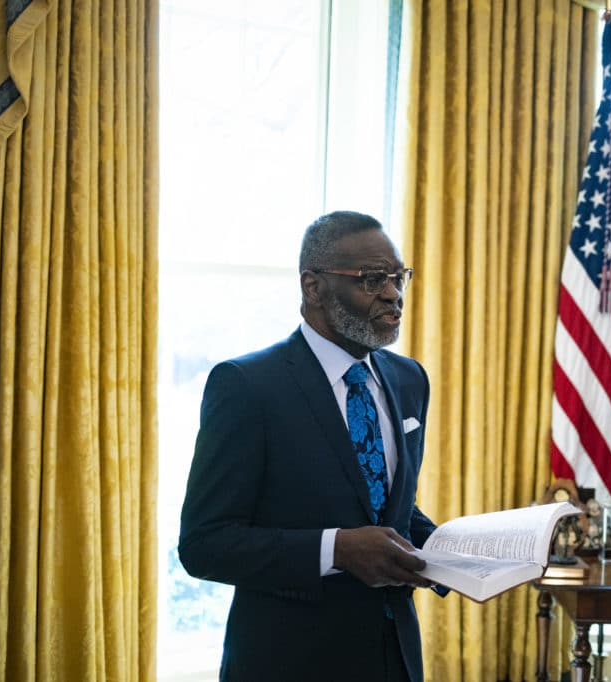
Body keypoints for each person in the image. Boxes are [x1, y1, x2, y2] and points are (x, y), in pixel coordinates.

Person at [178, 211, 440, 682]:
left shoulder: (409, 379)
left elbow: (388, 509)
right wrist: (336, 550)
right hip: (287, 659)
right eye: (372, 279)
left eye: (399, 277)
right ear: (313, 287)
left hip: (394, 658)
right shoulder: (247, 387)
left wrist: (459, 552)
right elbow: (204, 545)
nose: (393, 294)